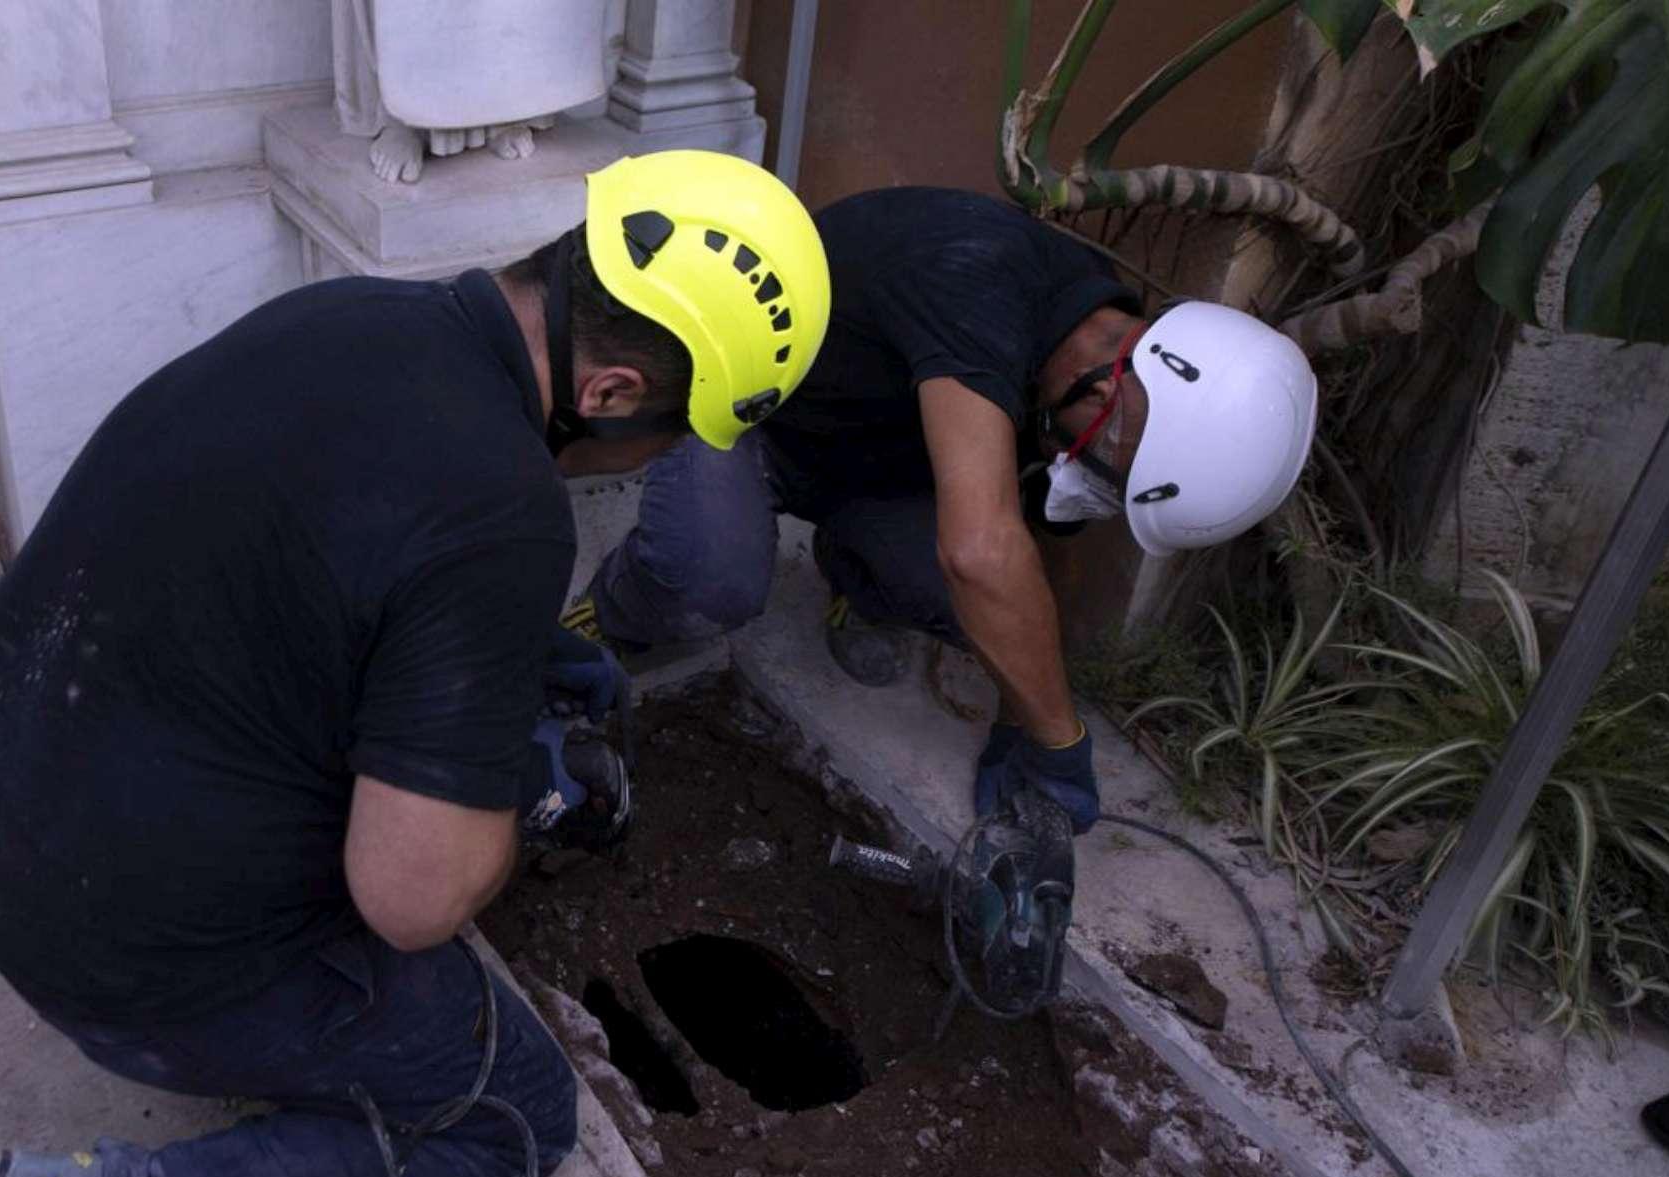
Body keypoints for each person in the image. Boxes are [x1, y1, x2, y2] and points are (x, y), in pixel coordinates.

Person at [0, 149, 829, 1177]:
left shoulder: (352, 312)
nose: (656, 463)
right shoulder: (500, 508)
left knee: (538, 673)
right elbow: (409, 902)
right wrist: (516, 796)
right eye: (672, 438)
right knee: (513, 1113)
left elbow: (354, 575)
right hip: (121, 957)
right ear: (608, 391)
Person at [564, 186, 1318, 831]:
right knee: (711, 578)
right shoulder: (977, 283)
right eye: (1089, 462)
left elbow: (1021, 560)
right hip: (754, 419)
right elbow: (981, 551)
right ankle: (619, 610)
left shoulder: (1098, 354)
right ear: (1108, 387)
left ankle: (854, 576)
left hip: (872, 462)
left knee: (978, 606)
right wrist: (1061, 741)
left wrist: (1021, 717)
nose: (1075, 473)